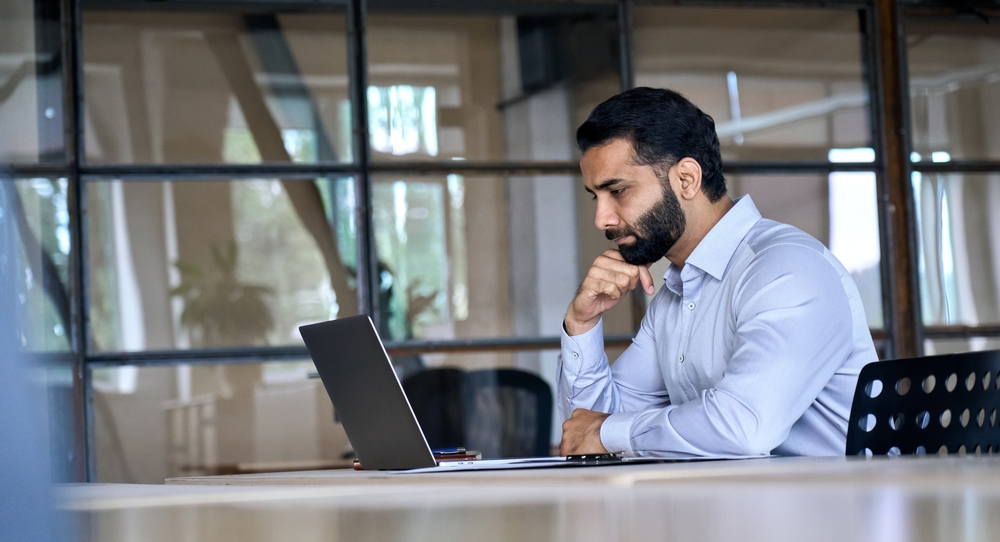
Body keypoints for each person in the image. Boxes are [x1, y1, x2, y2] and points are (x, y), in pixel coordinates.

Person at [558, 87, 878, 458]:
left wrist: (607, 432)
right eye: (596, 197)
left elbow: (744, 428)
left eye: (617, 191)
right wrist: (582, 324)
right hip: (731, 510)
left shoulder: (787, 270)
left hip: (833, 513)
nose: (602, 219)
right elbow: (588, 431)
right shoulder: (674, 296)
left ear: (687, 179)